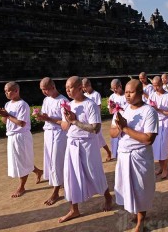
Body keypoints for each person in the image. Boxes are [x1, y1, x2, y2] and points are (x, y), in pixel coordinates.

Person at [60, 76, 112, 223]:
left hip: (88, 144)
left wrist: (75, 121)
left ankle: (108, 197)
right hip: (72, 143)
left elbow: (96, 128)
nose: (68, 90)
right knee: (70, 176)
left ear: (80, 88)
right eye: (66, 88)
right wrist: (68, 119)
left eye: (70, 87)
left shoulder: (90, 105)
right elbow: (64, 127)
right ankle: (73, 210)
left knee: (94, 172)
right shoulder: (68, 105)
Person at [110, 79, 158, 232]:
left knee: (140, 189)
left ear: (140, 93)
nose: (128, 95)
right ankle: (136, 213)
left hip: (139, 156)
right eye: (126, 92)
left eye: (131, 92)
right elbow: (112, 133)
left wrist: (125, 128)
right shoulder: (122, 110)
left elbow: (148, 139)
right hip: (124, 155)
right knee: (128, 188)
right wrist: (119, 128)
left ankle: (141, 221)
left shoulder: (149, 111)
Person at [0, 82, 43, 198]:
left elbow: (21, 123)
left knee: (22, 161)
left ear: (16, 91)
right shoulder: (7, 104)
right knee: (19, 160)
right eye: (5, 91)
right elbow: (4, 121)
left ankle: (21, 187)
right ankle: (38, 171)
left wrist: (7, 115)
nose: (6, 93)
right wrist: (2, 114)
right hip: (11, 136)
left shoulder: (23, 105)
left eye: (9, 91)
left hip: (21, 136)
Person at [36, 77, 68, 206]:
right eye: (42, 90)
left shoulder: (63, 101)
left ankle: (56, 191)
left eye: (46, 89)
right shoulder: (46, 100)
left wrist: (49, 119)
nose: (44, 92)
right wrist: (41, 117)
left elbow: (66, 123)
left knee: (56, 161)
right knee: (50, 160)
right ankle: (59, 182)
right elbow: (46, 116)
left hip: (59, 134)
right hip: (48, 133)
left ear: (53, 87)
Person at [148, 76, 168, 179]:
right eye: (154, 86)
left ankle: (165, 169)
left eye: (157, 86)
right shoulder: (152, 95)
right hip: (155, 124)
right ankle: (160, 167)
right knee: (156, 147)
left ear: (162, 84)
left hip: (165, 123)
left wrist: (159, 110)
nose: (156, 88)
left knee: (163, 147)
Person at [82, 78, 113, 162]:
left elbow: (98, 107)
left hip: (95, 120)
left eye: (85, 87)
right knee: (91, 139)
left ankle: (108, 152)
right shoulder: (84, 95)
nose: (84, 89)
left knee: (99, 138)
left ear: (89, 85)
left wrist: (94, 117)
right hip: (87, 121)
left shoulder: (96, 94)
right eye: (83, 87)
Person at [108, 79, 127, 159]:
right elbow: (110, 112)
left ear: (120, 86)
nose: (114, 90)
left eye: (116, 88)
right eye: (113, 89)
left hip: (126, 120)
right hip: (115, 121)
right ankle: (116, 155)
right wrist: (112, 107)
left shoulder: (127, 95)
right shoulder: (112, 97)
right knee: (114, 138)